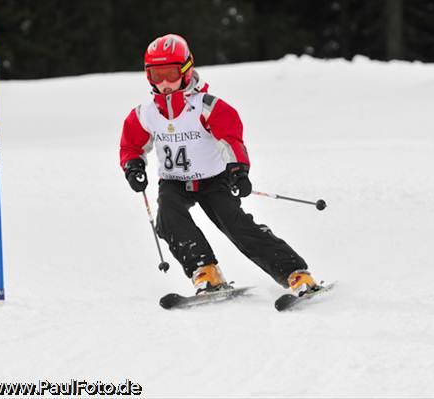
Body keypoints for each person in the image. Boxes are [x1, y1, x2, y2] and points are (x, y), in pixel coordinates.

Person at [119, 34, 320, 296]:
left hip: (213, 180)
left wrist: (238, 170)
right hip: (173, 181)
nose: (165, 83)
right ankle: (205, 271)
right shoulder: (145, 114)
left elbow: (230, 138)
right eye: (157, 76)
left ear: (186, 70)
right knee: (168, 219)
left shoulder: (206, 106)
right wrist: (132, 167)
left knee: (236, 225)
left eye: (170, 73)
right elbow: (131, 145)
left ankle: (296, 273)